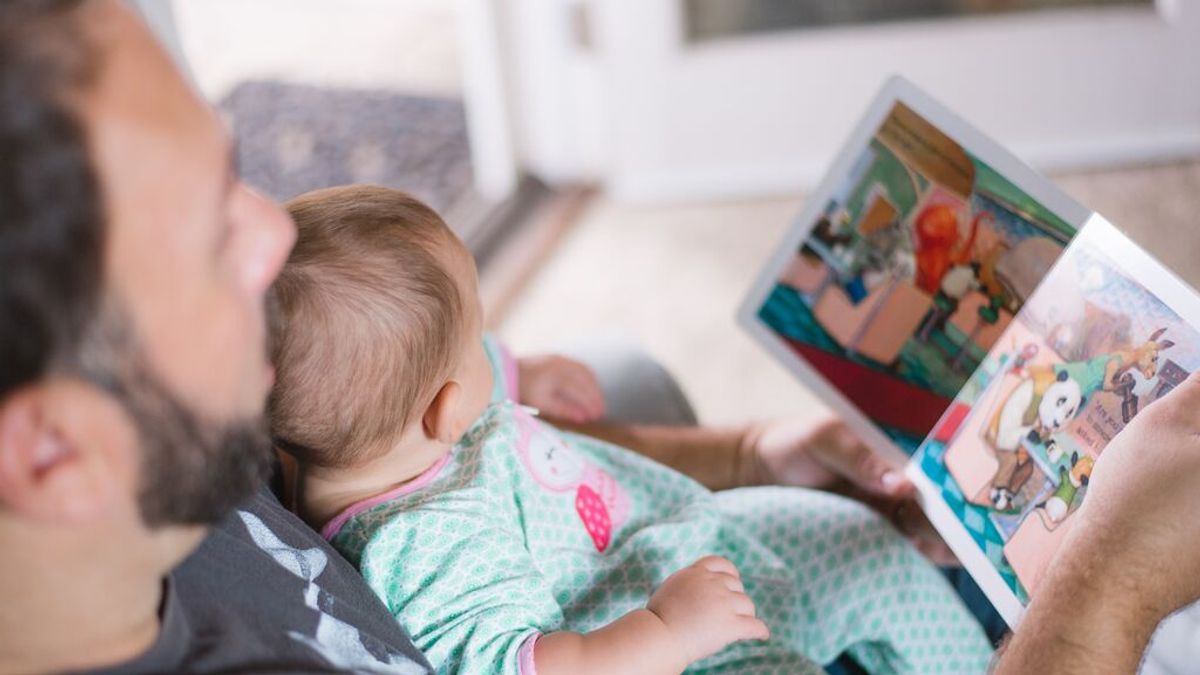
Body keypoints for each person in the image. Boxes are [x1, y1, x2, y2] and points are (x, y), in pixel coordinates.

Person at [0, 1, 1196, 673]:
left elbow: (467, 450)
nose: (272, 231)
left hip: (655, 553)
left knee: (615, 361)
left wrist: (740, 449)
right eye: (211, 238)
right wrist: (1113, 584)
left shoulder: (206, 428)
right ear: (52, 454)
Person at [268, 185, 994, 674]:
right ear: (447, 410)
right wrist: (667, 630)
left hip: (679, 535)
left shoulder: (385, 426)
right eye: (480, 333)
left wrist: (520, 369)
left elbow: (451, 369)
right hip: (662, 644)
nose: (490, 343)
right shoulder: (423, 546)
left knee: (865, 545)